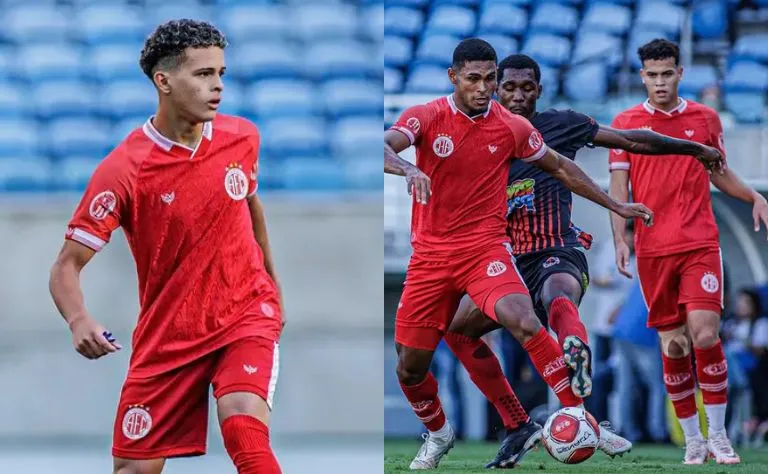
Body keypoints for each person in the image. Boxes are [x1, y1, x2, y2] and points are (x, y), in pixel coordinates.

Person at [441, 53, 724, 468]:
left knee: (560, 298)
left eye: (527, 87)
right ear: (496, 88)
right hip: (502, 261)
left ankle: (577, 355)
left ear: (539, 89)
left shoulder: (562, 125)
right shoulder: (477, 136)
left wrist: (692, 148)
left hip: (558, 249)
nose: (518, 95)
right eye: (510, 87)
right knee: (458, 333)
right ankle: (522, 424)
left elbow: (634, 139)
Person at [384, 38, 654, 470]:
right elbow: (384, 145)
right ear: (453, 77)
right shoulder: (426, 116)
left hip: (485, 249)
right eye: (474, 78)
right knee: (409, 370)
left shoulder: (511, 126)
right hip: (430, 258)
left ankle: (575, 414)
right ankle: (440, 433)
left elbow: (562, 168)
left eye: (490, 79)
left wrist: (616, 205)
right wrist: (409, 167)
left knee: (524, 318)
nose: (484, 87)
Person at [48, 20, 284, 474]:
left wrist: (274, 291)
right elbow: (66, 266)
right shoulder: (125, 169)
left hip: (245, 313)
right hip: (169, 337)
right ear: (164, 81)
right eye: (202, 75)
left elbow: (250, 205)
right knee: (135, 470)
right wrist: (79, 320)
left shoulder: (242, 137)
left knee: (242, 424)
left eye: (221, 73)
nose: (217, 86)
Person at [608, 38, 768, 465]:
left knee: (704, 334)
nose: (660, 82)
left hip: (699, 242)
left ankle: (718, 434)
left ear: (680, 73)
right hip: (654, 249)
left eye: (667, 73)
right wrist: (621, 238)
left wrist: (753, 196)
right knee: (674, 346)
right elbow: (619, 190)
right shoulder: (625, 123)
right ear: (643, 76)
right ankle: (693, 439)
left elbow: (720, 173)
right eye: (652, 75)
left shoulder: (704, 118)